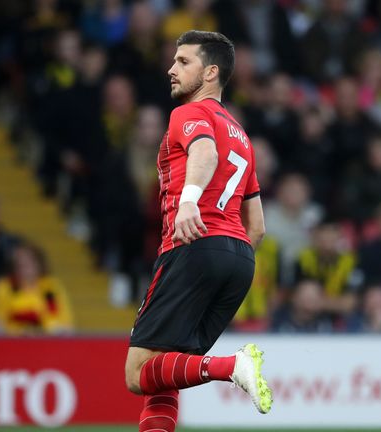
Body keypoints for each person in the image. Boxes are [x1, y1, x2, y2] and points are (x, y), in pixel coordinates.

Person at [124, 31, 272, 427]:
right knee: (166, 369)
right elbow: (257, 226)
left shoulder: (190, 113)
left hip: (192, 246)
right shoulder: (242, 137)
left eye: (183, 62)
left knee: (138, 372)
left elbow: (203, 151)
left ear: (210, 72)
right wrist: (227, 255)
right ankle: (224, 366)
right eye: (173, 60)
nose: (172, 69)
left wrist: (189, 200)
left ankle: (230, 366)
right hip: (238, 258)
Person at [0, 242, 73, 334]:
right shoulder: (5, 287)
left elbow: (64, 320)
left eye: (27, 263)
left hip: (47, 341)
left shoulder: (51, 286)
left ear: (38, 264)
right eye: (19, 264)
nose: (23, 268)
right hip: (14, 341)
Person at [294, 221, 357, 316]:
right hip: (310, 317)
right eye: (323, 236)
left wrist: (317, 303)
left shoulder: (350, 262)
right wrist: (336, 303)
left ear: (339, 238)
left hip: (342, 319)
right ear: (315, 238)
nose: (327, 240)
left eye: (331, 236)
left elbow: (350, 303)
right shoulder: (304, 260)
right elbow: (298, 300)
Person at [270, 279, 335, 333]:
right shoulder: (278, 322)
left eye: (313, 297)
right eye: (306, 297)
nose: (309, 303)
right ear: (294, 298)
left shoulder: (330, 323)